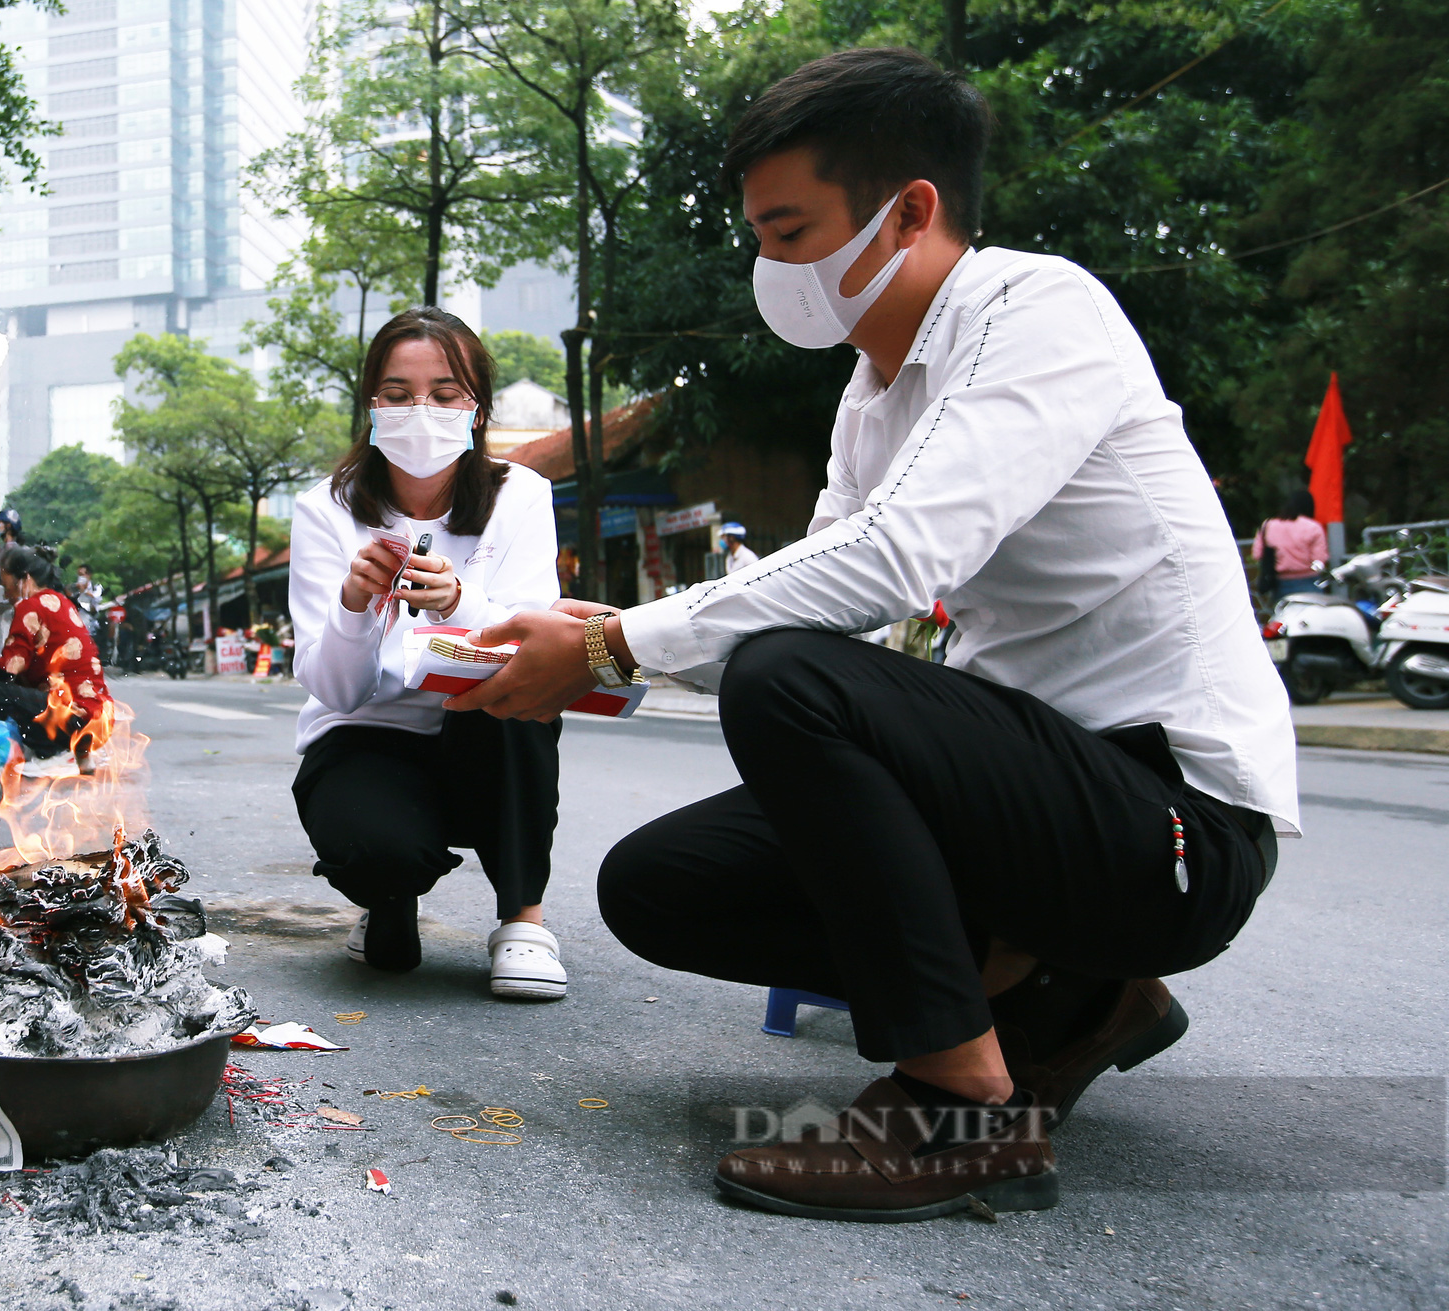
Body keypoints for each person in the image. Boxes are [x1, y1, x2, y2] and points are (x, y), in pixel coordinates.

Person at [444, 49, 1294, 1220]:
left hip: (1168, 824)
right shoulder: (872, 390)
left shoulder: (1042, 311)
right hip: (1030, 802)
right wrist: (613, 630)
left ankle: (960, 1104)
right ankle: (1066, 992)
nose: (769, 267)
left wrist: (612, 648)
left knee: (793, 678)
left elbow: (891, 563)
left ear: (908, 212)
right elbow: (820, 583)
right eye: (758, 236)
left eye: (789, 231)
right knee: (660, 887)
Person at [289, 306, 569, 999]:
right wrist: (355, 606)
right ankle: (388, 898)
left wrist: (459, 602)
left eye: (445, 394)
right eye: (397, 393)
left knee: (520, 700)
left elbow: (533, 636)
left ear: (476, 410)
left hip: (482, 723)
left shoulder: (521, 496)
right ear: (371, 406)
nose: (421, 411)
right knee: (375, 852)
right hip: (366, 735)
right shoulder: (325, 509)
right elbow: (335, 688)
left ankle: (523, 920)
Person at [0, 544, 112, 768]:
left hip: (73, 716)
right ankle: (75, 750)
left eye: (5, 579)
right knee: (22, 687)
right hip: (98, 717)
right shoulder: (60, 601)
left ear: (24, 578)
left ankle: (50, 750)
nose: (4, 589)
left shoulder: (31, 606)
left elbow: (9, 667)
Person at [1252, 490, 1327, 598]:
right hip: (1309, 580)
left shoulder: (1268, 525)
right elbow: (1319, 559)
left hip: (1278, 582)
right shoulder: (1313, 527)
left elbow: (1257, 554)